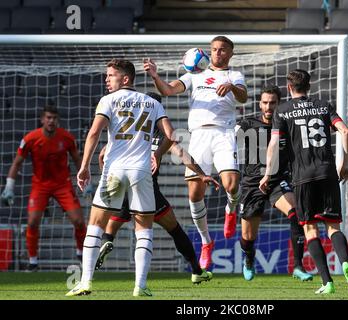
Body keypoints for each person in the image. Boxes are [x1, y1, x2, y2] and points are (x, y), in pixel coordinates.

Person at [66, 59, 219, 297]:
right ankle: (140, 286)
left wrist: (84, 166)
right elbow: (171, 135)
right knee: (144, 230)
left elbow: (95, 132)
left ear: (125, 78)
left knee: (95, 224)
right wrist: (164, 155)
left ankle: (85, 282)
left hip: (115, 171)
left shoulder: (108, 101)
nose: (107, 79)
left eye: (111, 75)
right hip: (141, 173)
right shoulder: (151, 103)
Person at [144, 36, 248, 270]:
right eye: (214, 50)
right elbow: (169, 90)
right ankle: (206, 242)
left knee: (231, 185)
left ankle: (231, 209)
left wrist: (231, 87)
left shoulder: (235, 76)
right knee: (194, 193)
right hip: (198, 135)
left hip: (224, 132)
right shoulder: (194, 75)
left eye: (222, 50)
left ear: (231, 53)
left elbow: (243, 96)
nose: (217, 53)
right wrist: (155, 76)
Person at [260, 69, 348, 294]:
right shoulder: (324, 105)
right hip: (327, 173)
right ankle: (346, 264)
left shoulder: (283, 111)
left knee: (310, 229)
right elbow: (345, 132)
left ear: (289, 87)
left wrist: (268, 174)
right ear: (310, 86)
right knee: (333, 226)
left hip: (302, 177)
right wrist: (344, 164)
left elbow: (274, 145)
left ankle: (327, 282)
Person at [95, 92, 212, 285]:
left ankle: (107, 241)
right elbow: (181, 153)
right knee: (174, 230)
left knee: (110, 228)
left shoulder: (125, 129)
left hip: (122, 188)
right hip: (147, 190)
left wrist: (104, 174)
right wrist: (201, 174)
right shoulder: (161, 134)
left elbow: (102, 156)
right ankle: (196, 270)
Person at [237, 85, 312, 282]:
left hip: (277, 181)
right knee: (247, 238)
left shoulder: (287, 125)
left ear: (279, 104)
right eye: (265, 103)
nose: (269, 107)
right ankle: (250, 258)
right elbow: (231, 143)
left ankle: (297, 266)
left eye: (273, 103)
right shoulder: (247, 125)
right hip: (252, 184)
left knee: (296, 214)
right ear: (260, 104)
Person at [1, 105, 87, 272]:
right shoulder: (30, 139)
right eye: (48, 118)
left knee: (78, 221)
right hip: (40, 185)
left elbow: (77, 160)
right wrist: (9, 186)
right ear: (42, 120)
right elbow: (17, 162)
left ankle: (82, 255)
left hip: (62, 184)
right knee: (32, 222)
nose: (51, 121)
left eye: (54, 118)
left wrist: (86, 181)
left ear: (58, 120)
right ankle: (33, 262)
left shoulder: (67, 138)